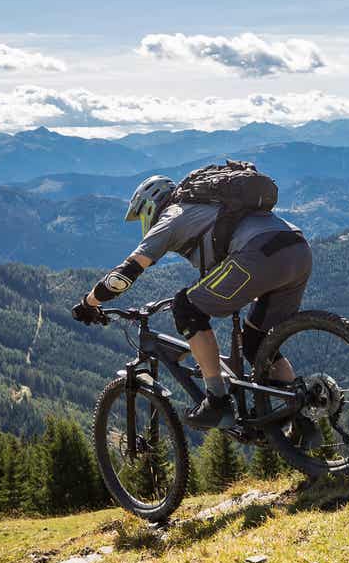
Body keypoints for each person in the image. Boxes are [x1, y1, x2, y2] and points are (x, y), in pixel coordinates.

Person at [73, 173, 314, 436]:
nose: (144, 223)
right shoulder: (208, 206)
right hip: (298, 248)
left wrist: (89, 302)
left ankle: (217, 401)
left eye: (142, 217)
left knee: (186, 308)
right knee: (257, 344)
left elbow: (124, 275)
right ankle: (300, 415)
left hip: (258, 253)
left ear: (150, 206)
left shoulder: (172, 217)